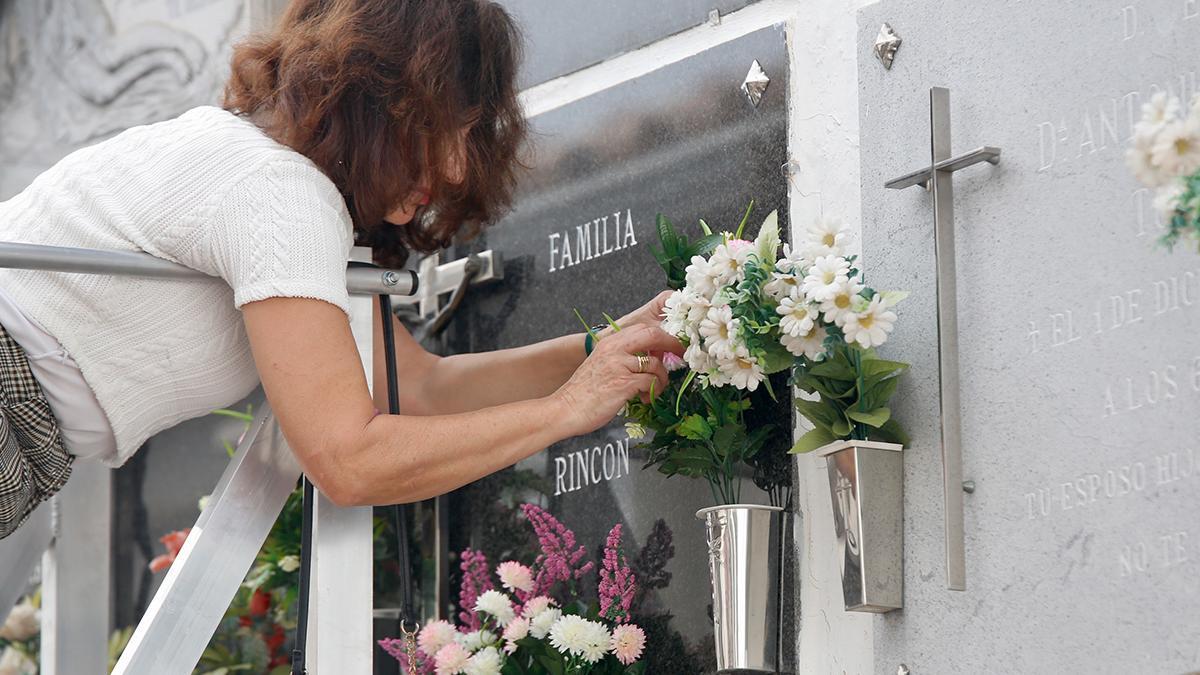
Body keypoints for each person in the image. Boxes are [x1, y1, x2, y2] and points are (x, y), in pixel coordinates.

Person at [0, 0, 681, 538]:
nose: (453, 169)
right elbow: (349, 460)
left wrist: (606, 350)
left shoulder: (276, 178)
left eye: (469, 140)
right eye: (443, 130)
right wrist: (566, 410)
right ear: (375, 99)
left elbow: (421, 387)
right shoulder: (281, 193)